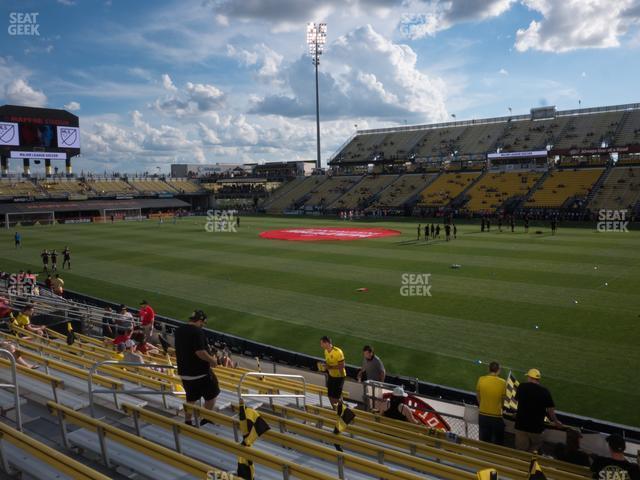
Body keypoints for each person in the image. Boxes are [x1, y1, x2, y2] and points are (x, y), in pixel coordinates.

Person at [174, 310, 220, 426]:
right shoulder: (198, 331)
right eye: (203, 323)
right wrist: (213, 360)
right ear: (200, 320)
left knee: (191, 398)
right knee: (213, 394)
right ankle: (206, 417)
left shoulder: (179, 330)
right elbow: (200, 352)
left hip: (184, 372)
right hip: (199, 373)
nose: (203, 325)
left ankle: (188, 421)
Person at [514, 368, 562, 453]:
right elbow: (550, 409)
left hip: (521, 424)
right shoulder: (545, 391)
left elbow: (516, 401)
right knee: (536, 445)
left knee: (520, 450)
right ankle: (529, 459)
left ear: (529, 377)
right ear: (538, 379)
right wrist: (556, 421)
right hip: (536, 426)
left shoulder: (522, 386)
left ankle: (521, 461)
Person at [476, 361, 506, 445]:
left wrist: (482, 405)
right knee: (498, 443)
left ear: (488, 369)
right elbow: (503, 400)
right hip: (496, 416)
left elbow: (478, 396)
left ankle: (483, 457)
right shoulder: (503, 382)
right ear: (498, 370)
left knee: (483, 442)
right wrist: (501, 407)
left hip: (482, 415)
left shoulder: (481, 379)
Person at [319, 336, 346, 408]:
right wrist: (324, 366)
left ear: (327, 343)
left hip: (339, 376)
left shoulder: (338, 352)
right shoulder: (325, 351)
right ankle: (335, 410)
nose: (320, 345)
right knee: (330, 395)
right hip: (331, 376)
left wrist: (329, 367)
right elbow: (329, 364)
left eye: (321, 343)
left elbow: (342, 366)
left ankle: (344, 413)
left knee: (336, 398)